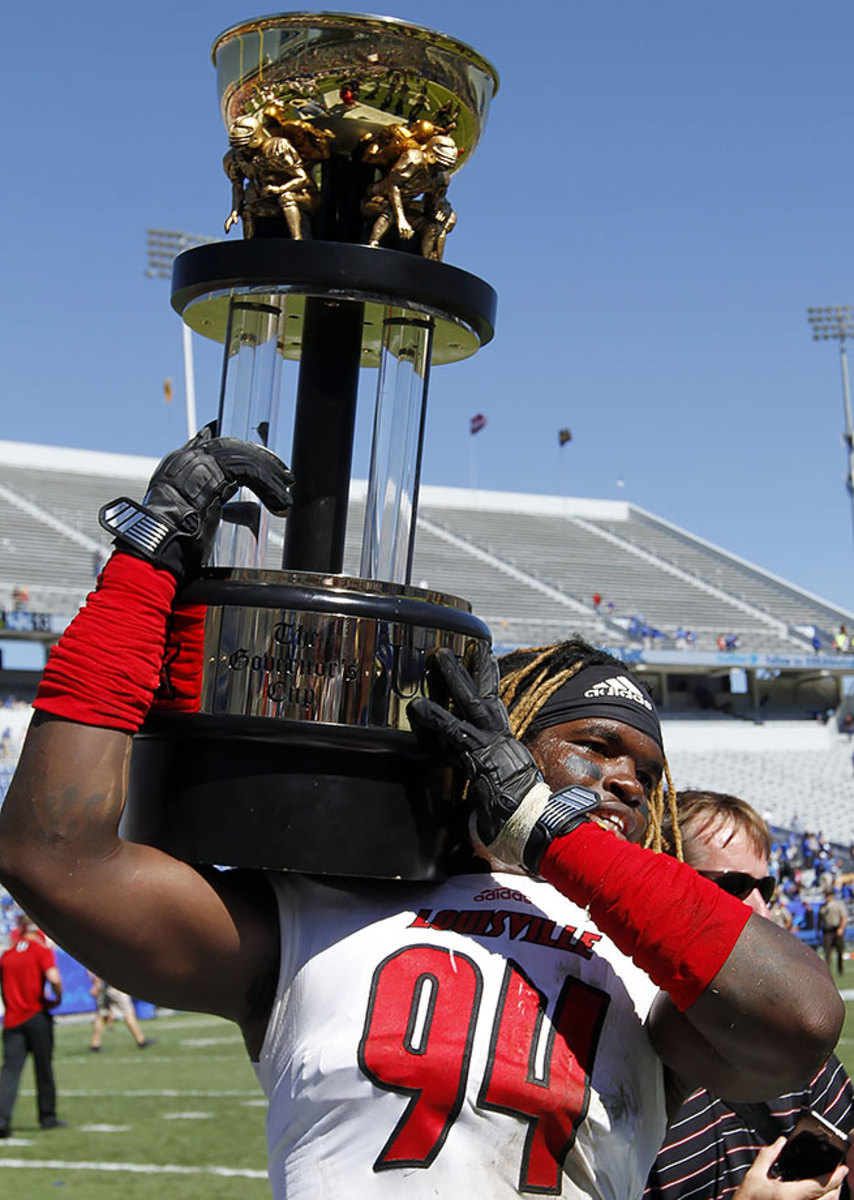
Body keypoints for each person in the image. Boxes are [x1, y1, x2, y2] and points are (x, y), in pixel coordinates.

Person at [0, 429, 844, 1199]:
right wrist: (144, 565)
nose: (628, 780)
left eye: (647, 770)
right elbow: (52, 853)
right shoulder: (319, 909)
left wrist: (549, 833)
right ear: (497, 730)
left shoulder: (645, 971)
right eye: (596, 744)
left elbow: (801, 1021)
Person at [645, 790, 853, 1200]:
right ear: (657, 887)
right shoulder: (609, 1060)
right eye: (736, 885)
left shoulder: (793, 1037)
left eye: (766, 886)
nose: (762, 909)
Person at [0, 917, 65, 1137]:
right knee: (43, 1068)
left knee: (10, 1070)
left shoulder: (7, 956)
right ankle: (48, 1117)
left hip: (12, 1018)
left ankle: (2, 1119)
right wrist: (57, 997)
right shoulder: (40, 950)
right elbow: (53, 977)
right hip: (36, 1015)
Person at [87, 973, 154, 1051]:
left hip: (103, 987)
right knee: (128, 1012)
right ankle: (141, 1041)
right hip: (113, 987)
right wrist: (96, 984)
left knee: (101, 1015)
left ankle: (95, 1044)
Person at [819, 881, 847, 978]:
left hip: (836, 929)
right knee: (827, 952)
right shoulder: (823, 907)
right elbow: (820, 919)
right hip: (827, 931)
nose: (827, 897)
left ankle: (840, 968)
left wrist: (841, 928)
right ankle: (827, 972)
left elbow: (843, 917)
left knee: (840, 951)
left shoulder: (838, 905)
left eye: (829, 895)